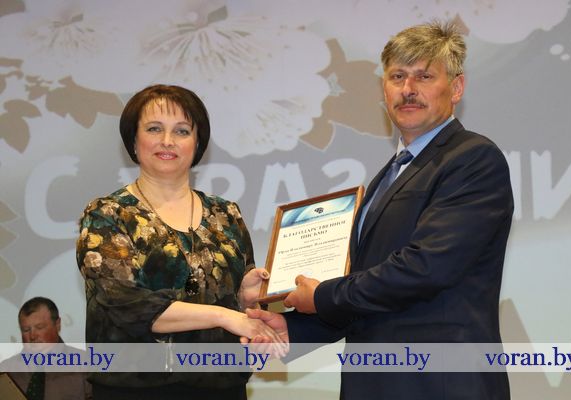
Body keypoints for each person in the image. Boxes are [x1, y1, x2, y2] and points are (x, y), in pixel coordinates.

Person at [247, 20, 514, 399]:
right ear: (384, 88)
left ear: (456, 88)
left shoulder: (472, 158)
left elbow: (426, 268)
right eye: (397, 76)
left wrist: (322, 297)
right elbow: (368, 289)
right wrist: (295, 330)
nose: (408, 89)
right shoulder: (388, 176)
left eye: (424, 76)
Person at [76, 84, 286, 399]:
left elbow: (238, 306)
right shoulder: (108, 214)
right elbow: (127, 304)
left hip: (223, 386)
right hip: (136, 390)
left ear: (197, 143)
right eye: (154, 128)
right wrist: (225, 316)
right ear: (133, 140)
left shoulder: (226, 214)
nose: (167, 141)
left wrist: (244, 299)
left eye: (182, 131)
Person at [0, 296, 92, 400]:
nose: (32, 336)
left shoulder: (85, 364)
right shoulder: (6, 370)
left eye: (39, 327)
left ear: (57, 324)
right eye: (26, 330)